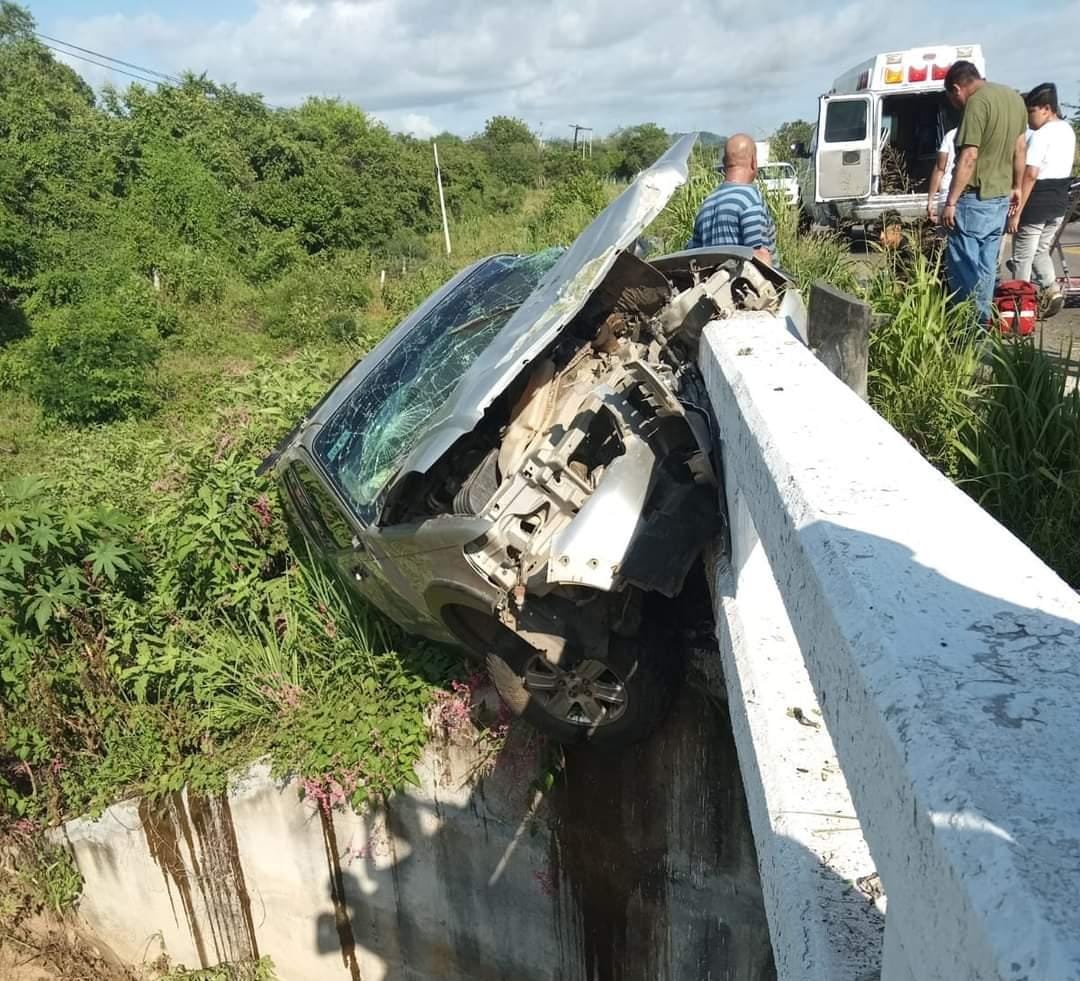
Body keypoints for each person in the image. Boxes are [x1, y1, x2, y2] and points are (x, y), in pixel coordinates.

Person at [940, 62, 1027, 324]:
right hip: (999, 199)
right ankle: (982, 326)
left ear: (957, 88)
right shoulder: (1014, 98)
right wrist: (1017, 186)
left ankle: (967, 330)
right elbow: (1020, 149)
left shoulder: (976, 103)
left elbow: (969, 156)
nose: (955, 103)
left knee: (963, 269)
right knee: (986, 268)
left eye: (952, 97)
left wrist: (951, 202)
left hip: (973, 200)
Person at [1007, 82, 1076, 318]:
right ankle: (1051, 289)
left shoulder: (1041, 135)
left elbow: (1031, 174)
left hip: (1036, 203)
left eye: (1031, 111)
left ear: (1047, 109)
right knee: (1041, 251)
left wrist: (1017, 212)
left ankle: (1020, 308)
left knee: (1021, 258)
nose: (1029, 118)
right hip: (1058, 203)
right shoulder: (1067, 130)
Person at [688, 133, 776, 265]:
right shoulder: (749, 200)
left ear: (724, 163)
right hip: (744, 279)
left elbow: (693, 258)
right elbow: (760, 258)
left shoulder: (706, 205)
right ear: (754, 161)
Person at [926, 126, 957, 224]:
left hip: (947, 195)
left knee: (945, 232)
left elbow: (940, 169)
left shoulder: (951, 135)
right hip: (974, 198)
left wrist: (930, 201)